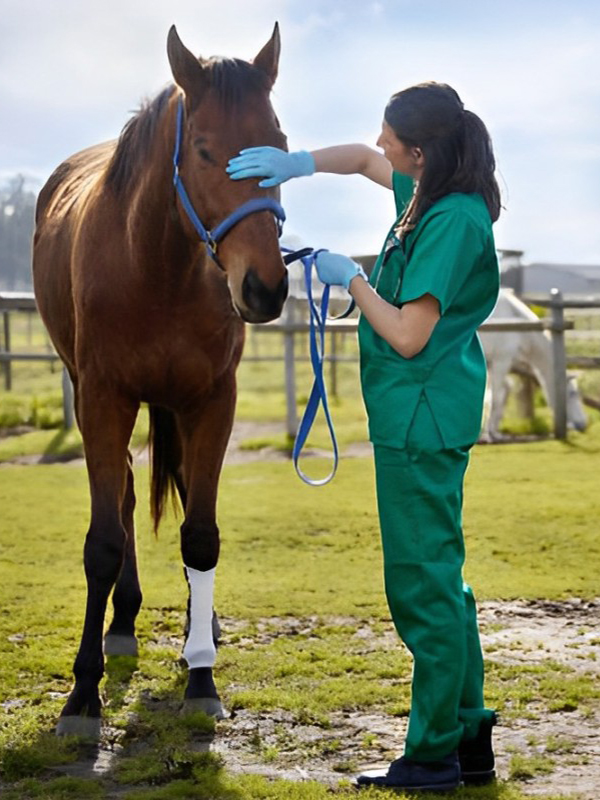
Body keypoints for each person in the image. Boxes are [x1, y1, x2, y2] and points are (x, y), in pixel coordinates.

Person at [227, 81, 499, 793]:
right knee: (448, 581)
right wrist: (298, 164)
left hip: (421, 416)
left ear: (420, 149)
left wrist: (354, 278)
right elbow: (355, 160)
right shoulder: (428, 194)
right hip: (423, 415)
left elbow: (409, 334)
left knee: (422, 586)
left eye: (390, 139)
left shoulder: (451, 220)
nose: (379, 146)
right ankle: (469, 734)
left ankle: (432, 753)